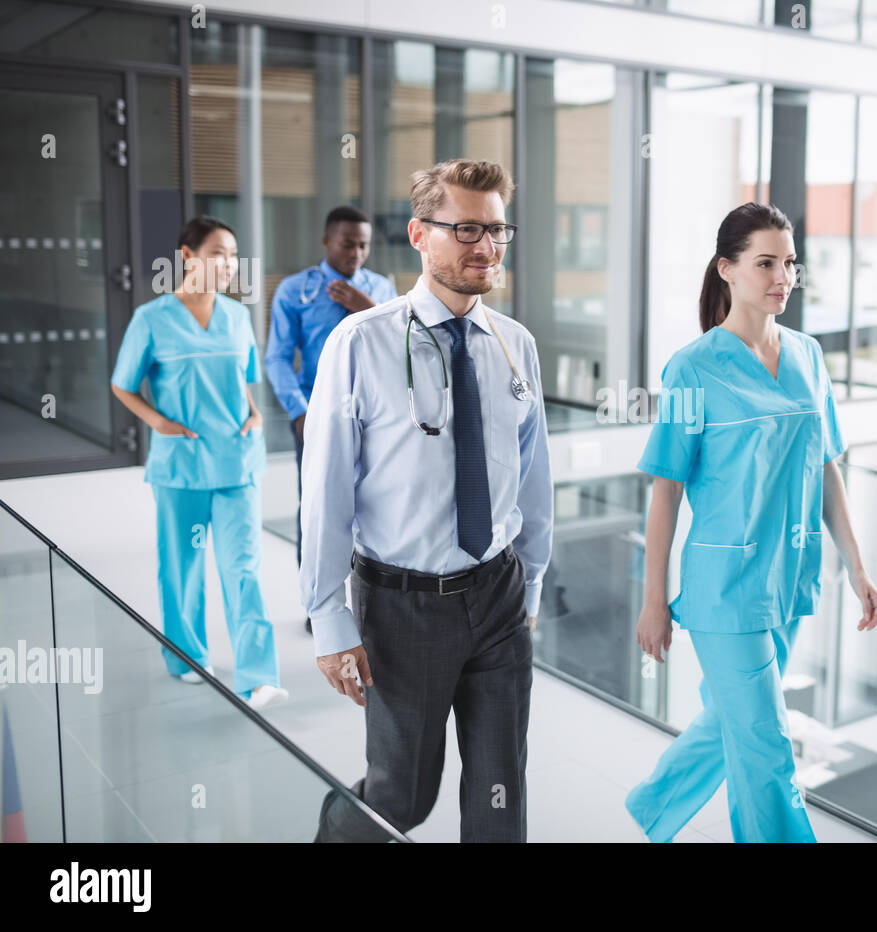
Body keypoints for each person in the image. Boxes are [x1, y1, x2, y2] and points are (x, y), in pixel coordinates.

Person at [302, 159, 553, 842]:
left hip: (498, 595)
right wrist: (328, 618)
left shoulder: (515, 345)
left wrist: (528, 583)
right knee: (401, 798)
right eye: (466, 228)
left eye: (498, 230)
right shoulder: (360, 343)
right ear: (419, 233)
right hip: (402, 606)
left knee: (501, 801)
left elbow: (533, 479)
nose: (486, 247)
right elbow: (325, 492)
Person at [625, 202, 877, 842]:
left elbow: (826, 468)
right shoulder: (692, 367)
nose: (783, 276)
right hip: (723, 586)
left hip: (792, 579)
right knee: (769, 745)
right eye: (766, 262)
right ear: (728, 270)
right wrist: (653, 600)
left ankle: (652, 807)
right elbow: (666, 493)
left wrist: (858, 567)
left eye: (790, 262)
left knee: (733, 724)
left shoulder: (808, 355)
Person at [110, 215, 289, 711]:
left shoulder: (237, 317)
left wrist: (254, 413)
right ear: (187, 256)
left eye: (233, 255)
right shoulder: (152, 319)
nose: (229, 264)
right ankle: (187, 657)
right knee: (182, 566)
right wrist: (158, 423)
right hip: (182, 467)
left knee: (243, 568)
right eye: (218, 253)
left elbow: (246, 380)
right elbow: (122, 384)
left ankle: (258, 676)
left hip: (237, 463)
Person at [264, 206, 398, 632]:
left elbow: (402, 349)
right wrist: (299, 411)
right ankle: (321, 608)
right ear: (327, 241)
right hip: (317, 419)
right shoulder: (294, 290)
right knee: (320, 510)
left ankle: (371, 603)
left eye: (363, 245)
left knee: (376, 507)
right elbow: (278, 358)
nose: (356, 253)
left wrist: (368, 307)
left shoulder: (382, 289)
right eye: (347, 243)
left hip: (377, 417)